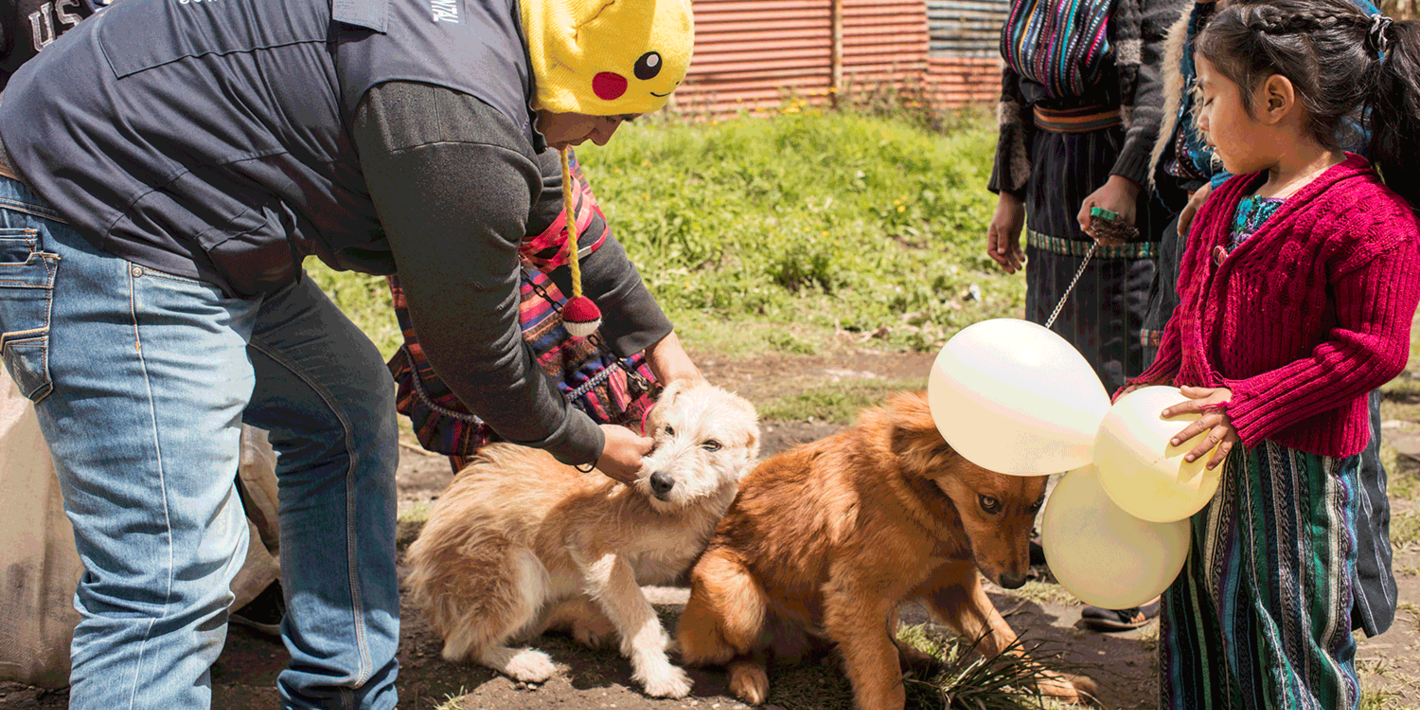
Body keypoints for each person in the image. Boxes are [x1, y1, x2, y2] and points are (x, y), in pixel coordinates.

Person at [0, 0, 700, 707]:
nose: (605, 134)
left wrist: (665, 350)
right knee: (168, 573)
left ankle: (343, 692)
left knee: (344, 410)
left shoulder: (506, 52)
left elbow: (559, 217)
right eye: (614, 113)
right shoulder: (455, 114)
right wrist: (587, 442)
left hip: (208, 222)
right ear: (577, 71)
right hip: (92, 209)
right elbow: (477, 354)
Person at [1122, 1, 1420, 706]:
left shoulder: (1373, 222)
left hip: (1296, 478)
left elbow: (1373, 351)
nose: (1197, 118)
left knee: (1287, 635)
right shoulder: (1223, 201)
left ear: (1275, 98)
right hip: (1200, 461)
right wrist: (1149, 387)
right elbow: (1189, 313)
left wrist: (1249, 406)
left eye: (1207, 96)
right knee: (1200, 623)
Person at [987, 0, 1188, 393]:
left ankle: (1119, 421)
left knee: (1121, 323)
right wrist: (1011, 195)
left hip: (1123, 169)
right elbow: (1015, 87)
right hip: (1050, 170)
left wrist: (1125, 181)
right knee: (1053, 324)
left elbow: (1163, 84)